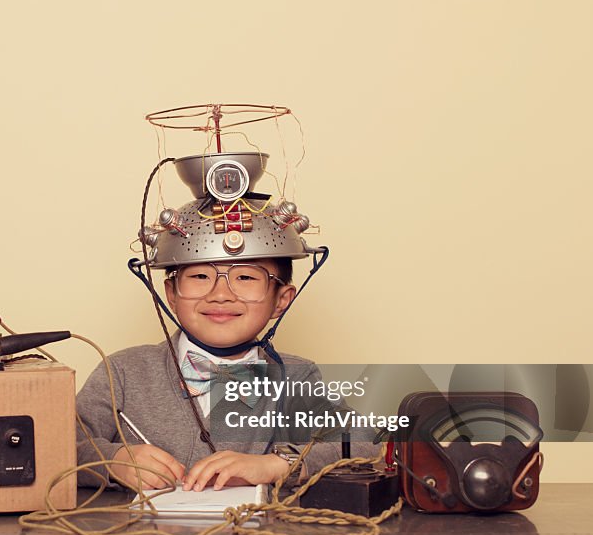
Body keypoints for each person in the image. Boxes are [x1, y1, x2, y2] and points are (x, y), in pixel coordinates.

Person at [75, 153, 374, 492]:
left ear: (281, 300)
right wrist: (111, 459)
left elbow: (367, 445)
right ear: (170, 292)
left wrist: (277, 465)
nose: (221, 294)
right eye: (200, 276)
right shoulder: (123, 372)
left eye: (246, 277)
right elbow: (57, 447)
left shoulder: (297, 377)